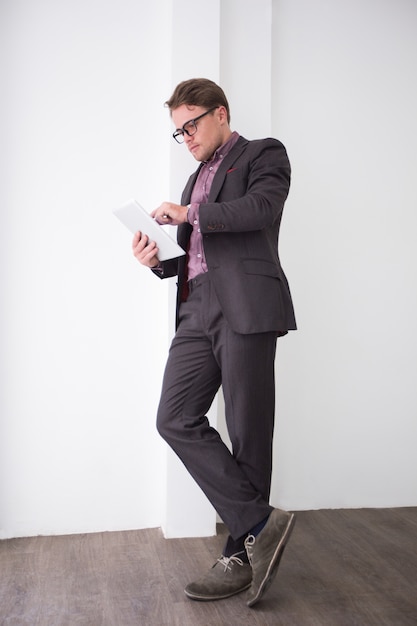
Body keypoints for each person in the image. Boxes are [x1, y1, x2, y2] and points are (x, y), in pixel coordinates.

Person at [132, 78, 296, 607]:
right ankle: (261, 525)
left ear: (220, 114)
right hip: (196, 307)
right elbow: (196, 258)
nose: (186, 137)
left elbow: (260, 210)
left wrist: (189, 216)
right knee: (173, 417)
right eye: (177, 131)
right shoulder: (193, 180)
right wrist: (159, 262)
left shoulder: (262, 154)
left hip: (246, 303)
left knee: (249, 431)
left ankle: (239, 554)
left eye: (191, 124)